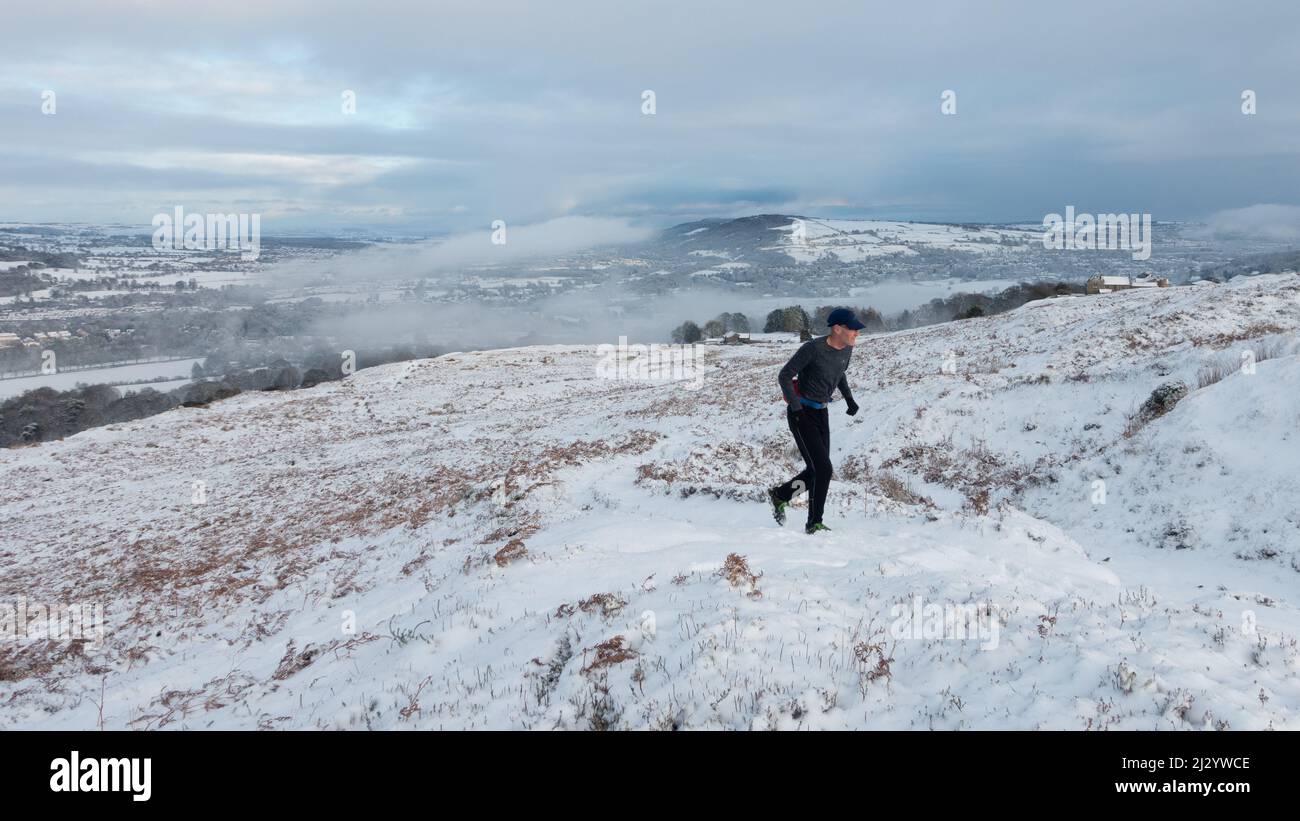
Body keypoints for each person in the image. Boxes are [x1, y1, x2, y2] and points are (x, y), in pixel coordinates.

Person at [768, 307, 863, 534]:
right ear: (837, 328)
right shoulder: (813, 349)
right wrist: (796, 408)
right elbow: (784, 375)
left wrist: (849, 398)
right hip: (802, 413)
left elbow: (839, 373)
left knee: (817, 470)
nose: (857, 333)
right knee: (823, 469)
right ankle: (814, 523)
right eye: (853, 329)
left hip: (821, 412)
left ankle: (781, 495)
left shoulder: (846, 349)